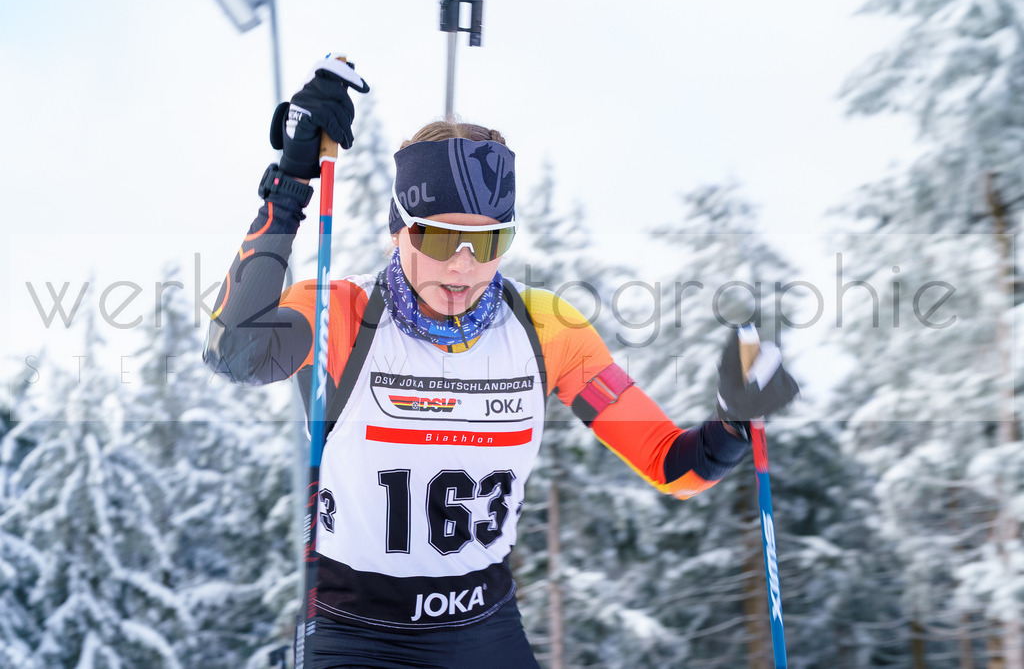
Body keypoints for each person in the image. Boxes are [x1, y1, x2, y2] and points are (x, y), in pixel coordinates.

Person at [204, 57, 799, 669]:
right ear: (397, 230)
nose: (462, 267)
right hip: (357, 631)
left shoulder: (547, 329)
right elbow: (234, 351)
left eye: (487, 242)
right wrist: (292, 181)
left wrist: (732, 425)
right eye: (438, 238)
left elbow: (673, 465)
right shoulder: (343, 313)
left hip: (483, 629)